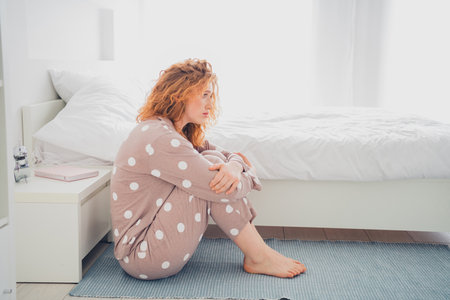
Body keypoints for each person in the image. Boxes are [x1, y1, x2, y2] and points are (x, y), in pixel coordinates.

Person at [110, 58, 306, 280]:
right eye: (204, 95)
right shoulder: (159, 137)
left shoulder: (177, 132)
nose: (210, 104)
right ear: (178, 94)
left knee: (211, 161)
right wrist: (247, 178)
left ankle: (259, 255)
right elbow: (216, 184)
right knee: (212, 174)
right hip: (143, 257)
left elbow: (230, 156)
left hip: (153, 245)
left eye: (210, 96)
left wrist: (234, 166)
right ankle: (258, 256)